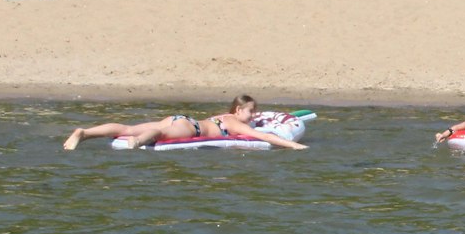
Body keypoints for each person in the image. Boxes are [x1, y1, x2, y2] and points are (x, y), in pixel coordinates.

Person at [62, 94, 307, 150]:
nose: (254, 117)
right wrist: (295, 146)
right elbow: (264, 137)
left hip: (183, 119)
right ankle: (137, 142)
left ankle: (84, 133)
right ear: (238, 109)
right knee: (156, 132)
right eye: (251, 112)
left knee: (127, 127)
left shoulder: (222, 117)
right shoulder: (234, 122)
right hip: (192, 128)